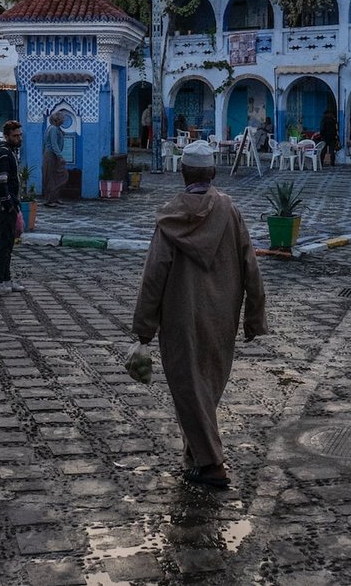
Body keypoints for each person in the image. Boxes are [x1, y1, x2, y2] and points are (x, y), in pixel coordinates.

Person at [131, 141, 267, 489]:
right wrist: (254, 317)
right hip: (222, 317)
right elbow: (250, 265)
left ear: (183, 174)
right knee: (204, 390)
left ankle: (211, 465)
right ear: (213, 173)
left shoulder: (170, 218)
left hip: (180, 320)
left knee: (190, 391)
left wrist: (144, 329)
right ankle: (196, 457)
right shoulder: (230, 211)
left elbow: (154, 275)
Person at [0, 120, 27, 295]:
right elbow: (1, 180)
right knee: (5, 243)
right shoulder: (3, 153)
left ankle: (6, 279)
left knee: (9, 241)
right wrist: (8, 202)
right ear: (6, 136)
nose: (19, 138)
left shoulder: (10, 151)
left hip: (10, 201)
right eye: (15, 136)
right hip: (4, 203)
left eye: (20, 135)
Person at [41, 109, 66, 208]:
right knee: (50, 177)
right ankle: (49, 199)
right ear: (58, 119)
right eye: (62, 118)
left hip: (53, 155)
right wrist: (60, 156)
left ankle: (54, 197)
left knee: (56, 176)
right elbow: (54, 144)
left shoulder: (56, 129)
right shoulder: (53, 129)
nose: (63, 120)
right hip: (51, 154)